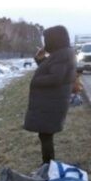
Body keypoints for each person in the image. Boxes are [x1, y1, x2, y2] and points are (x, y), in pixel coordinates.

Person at [24, 25, 77, 164]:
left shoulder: (61, 55)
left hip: (51, 104)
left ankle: (48, 165)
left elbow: (56, 78)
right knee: (45, 135)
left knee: (45, 135)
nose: (44, 43)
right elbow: (52, 70)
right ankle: (48, 164)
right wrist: (40, 59)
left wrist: (35, 81)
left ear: (54, 40)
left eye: (46, 39)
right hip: (52, 102)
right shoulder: (62, 54)